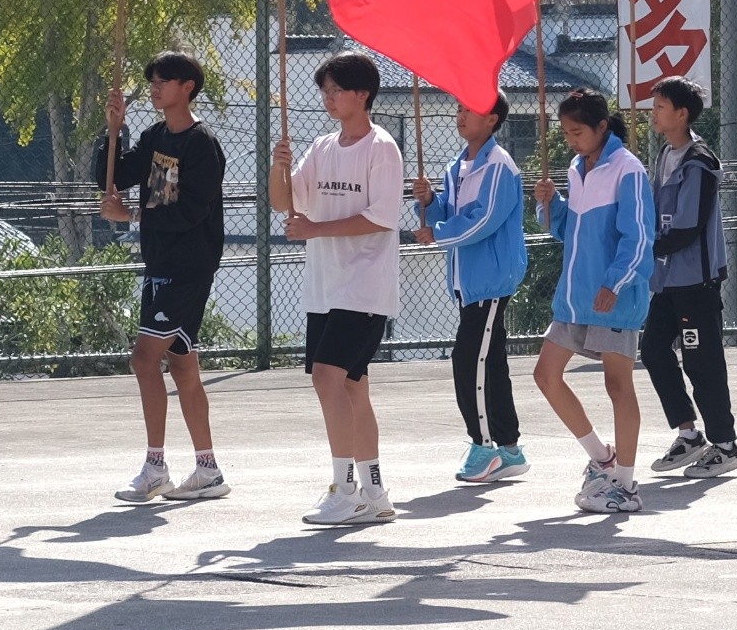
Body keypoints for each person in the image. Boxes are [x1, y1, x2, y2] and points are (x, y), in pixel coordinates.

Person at [274, 53, 406, 528]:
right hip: (325, 289)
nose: (328, 98)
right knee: (353, 387)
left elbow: (380, 218)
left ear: (363, 94)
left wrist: (315, 229)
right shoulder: (323, 145)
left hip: (364, 288)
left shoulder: (382, 148)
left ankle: (343, 489)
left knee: (326, 378)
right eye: (325, 91)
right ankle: (375, 492)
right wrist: (280, 165)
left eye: (337, 90)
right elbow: (283, 200)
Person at [97, 51, 230, 505]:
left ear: (187, 87)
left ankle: (155, 467)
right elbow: (111, 174)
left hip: (187, 268)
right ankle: (208, 470)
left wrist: (131, 214)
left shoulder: (202, 144)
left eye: (164, 80)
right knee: (182, 366)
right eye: (151, 79)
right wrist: (113, 129)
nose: (154, 88)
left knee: (142, 359)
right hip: (160, 266)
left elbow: (192, 211)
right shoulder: (155, 135)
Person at [533, 92, 658, 514]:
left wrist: (615, 283)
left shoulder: (628, 170)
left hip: (614, 298)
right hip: (575, 297)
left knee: (618, 386)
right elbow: (566, 230)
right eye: (566, 133)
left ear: (602, 127)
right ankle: (601, 457)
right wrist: (548, 205)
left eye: (578, 132)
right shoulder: (575, 168)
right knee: (545, 375)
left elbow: (639, 237)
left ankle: (625, 483)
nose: (571, 141)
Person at [420, 84, 532, 485]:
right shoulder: (459, 166)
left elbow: (485, 221)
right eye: (460, 107)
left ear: (493, 120)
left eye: (470, 109)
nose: (461, 115)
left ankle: (483, 444)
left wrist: (441, 232)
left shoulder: (499, 166)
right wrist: (430, 202)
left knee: (469, 360)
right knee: (491, 362)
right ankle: (509, 447)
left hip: (490, 280)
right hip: (469, 282)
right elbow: (446, 213)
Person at [640, 78, 737, 479]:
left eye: (661, 106)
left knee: (703, 363)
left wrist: (648, 247)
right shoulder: (666, 153)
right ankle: (688, 433)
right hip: (667, 281)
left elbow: (688, 226)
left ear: (682, 114)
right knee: (652, 351)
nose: (654, 113)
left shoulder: (699, 161)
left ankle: (726, 444)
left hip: (695, 281)